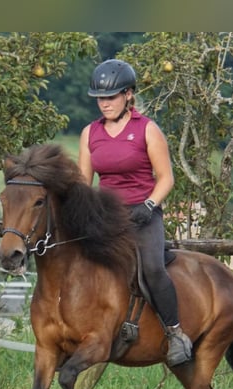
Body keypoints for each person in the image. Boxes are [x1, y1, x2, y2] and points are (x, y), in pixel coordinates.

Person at [78, 58, 192, 367]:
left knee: (152, 269)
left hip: (143, 213)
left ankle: (175, 333)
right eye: (100, 98)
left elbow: (166, 177)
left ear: (128, 95)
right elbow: (82, 183)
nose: (104, 104)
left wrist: (149, 205)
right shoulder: (90, 133)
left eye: (111, 97)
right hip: (106, 216)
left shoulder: (147, 130)